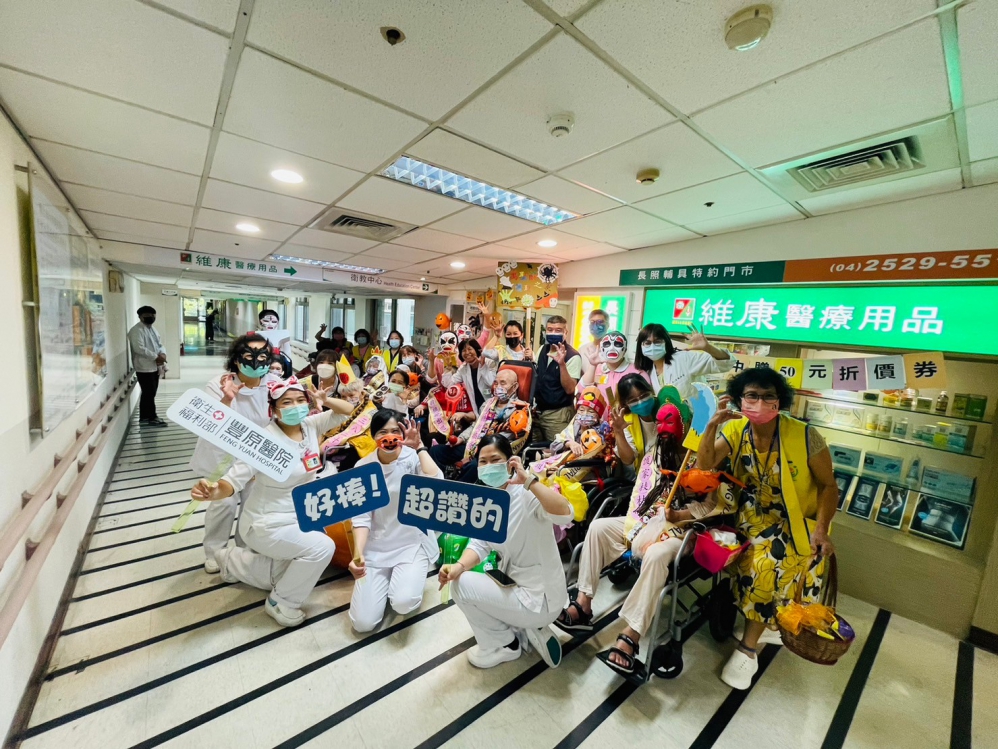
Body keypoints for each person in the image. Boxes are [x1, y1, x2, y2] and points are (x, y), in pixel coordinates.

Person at [554, 404, 721, 677]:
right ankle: (583, 603)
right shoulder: (656, 452)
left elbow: (711, 505)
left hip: (680, 530)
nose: (663, 429)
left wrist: (678, 514)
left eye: (670, 423)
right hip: (644, 520)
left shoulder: (702, 457)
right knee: (598, 528)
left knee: (655, 555)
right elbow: (636, 477)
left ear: (686, 426)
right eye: (660, 423)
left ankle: (631, 635)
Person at [697, 367, 837, 690]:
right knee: (731, 552)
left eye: (768, 396)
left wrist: (822, 530)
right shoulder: (735, 430)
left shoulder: (805, 436)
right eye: (752, 395)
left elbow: (829, 486)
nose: (759, 403)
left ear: (780, 401)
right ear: (740, 399)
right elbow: (704, 466)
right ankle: (765, 618)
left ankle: (748, 648)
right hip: (751, 515)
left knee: (767, 564)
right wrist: (711, 426)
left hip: (795, 522)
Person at [189, 377, 354, 627]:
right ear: (273, 409)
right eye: (286, 402)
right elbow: (233, 481)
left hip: (301, 513)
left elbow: (347, 410)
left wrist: (324, 399)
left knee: (283, 574)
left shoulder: (310, 425)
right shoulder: (263, 441)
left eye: (300, 400)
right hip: (266, 522)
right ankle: (281, 602)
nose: (295, 406)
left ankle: (232, 561)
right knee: (321, 548)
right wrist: (213, 491)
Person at [440, 435, 573, 669]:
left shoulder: (527, 494)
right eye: (483, 462)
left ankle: (503, 645)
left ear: (510, 462)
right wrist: (458, 566)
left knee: (462, 587)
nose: (489, 466)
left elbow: (565, 513)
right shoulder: (488, 500)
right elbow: (480, 544)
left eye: (495, 460)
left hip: (541, 597)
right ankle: (522, 625)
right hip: (515, 584)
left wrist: (529, 481)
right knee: (462, 576)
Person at [191, 334, 279, 573]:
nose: (256, 361)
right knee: (223, 505)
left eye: (263, 356)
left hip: (257, 457)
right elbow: (212, 422)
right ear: (237, 359)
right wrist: (227, 399)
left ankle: (244, 551)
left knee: (252, 505)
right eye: (249, 355)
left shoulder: (274, 384)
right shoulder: (219, 384)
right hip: (222, 457)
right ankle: (214, 552)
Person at [349, 411, 443, 632]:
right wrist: (358, 553)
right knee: (363, 623)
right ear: (373, 436)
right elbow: (361, 516)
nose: (389, 437)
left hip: (412, 543)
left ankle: (405, 580)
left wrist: (419, 447)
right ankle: (385, 583)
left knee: (403, 602)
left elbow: (437, 483)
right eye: (383, 432)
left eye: (395, 431)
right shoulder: (363, 467)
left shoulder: (413, 458)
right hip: (376, 547)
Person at [427, 368, 532, 481]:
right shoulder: (488, 404)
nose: (498, 387)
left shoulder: (519, 409)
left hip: (493, 452)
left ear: (514, 387)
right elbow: (476, 426)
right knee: (436, 451)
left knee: (474, 467)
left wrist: (476, 451)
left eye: (503, 383)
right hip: (472, 446)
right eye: (496, 383)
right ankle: (442, 480)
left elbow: (505, 439)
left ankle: (456, 487)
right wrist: (461, 439)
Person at [633, 322, 732, 401]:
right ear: (641, 346)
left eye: (657, 342)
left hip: (701, 415)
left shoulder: (683, 359)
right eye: (647, 343)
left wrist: (708, 348)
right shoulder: (648, 372)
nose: (652, 346)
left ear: (666, 342)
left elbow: (724, 364)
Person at [533, 316, 583, 442]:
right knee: (536, 448)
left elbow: (570, 389)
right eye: (550, 330)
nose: (553, 333)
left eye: (558, 330)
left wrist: (562, 364)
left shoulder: (573, 356)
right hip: (538, 411)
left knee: (559, 447)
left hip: (558, 415)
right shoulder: (542, 349)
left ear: (566, 332)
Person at [128, 305, 168, 427]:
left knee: (150, 393)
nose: (151, 317)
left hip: (154, 366)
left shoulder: (152, 329)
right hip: (144, 367)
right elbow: (139, 348)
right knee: (149, 393)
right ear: (140, 317)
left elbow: (159, 344)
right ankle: (152, 417)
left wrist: (163, 353)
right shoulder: (136, 331)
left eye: (152, 315)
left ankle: (145, 416)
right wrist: (156, 357)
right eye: (147, 316)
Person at [610, 374, 659, 472]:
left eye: (644, 395)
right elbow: (628, 460)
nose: (641, 402)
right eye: (634, 400)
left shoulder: (665, 406)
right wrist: (619, 432)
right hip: (647, 475)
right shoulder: (626, 421)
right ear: (626, 404)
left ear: (651, 391)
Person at [453, 339, 499, 419]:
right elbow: (450, 383)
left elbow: (492, 383)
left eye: (470, 349)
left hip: (492, 408)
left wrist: (483, 366)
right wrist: (447, 367)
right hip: (478, 410)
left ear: (477, 350)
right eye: (464, 350)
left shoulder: (489, 362)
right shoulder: (463, 369)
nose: (467, 353)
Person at [578, 308, 610, 385]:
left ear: (607, 325)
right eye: (592, 322)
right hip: (587, 390)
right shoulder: (582, 349)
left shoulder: (614, 350)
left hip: (608, 390)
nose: (595, 326)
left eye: (600, 322)